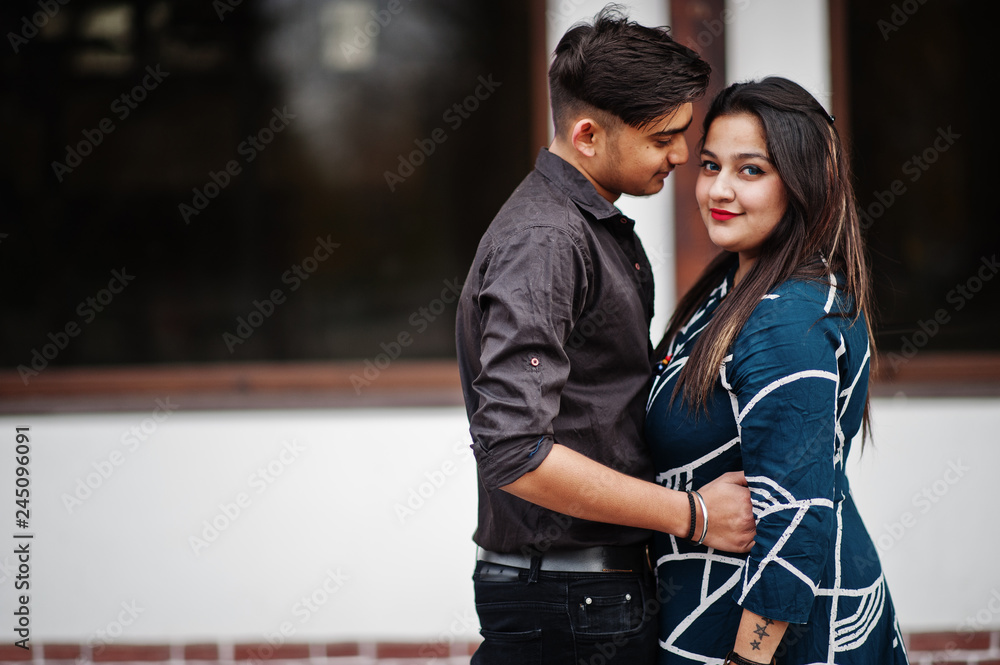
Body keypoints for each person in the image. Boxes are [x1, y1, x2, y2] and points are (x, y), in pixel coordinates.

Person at [455, 6, 755, 665]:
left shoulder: (585, 226)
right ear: (588, 135)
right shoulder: (548, 240)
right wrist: (694, 515)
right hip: (571, 601)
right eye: (663, 138)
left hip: (583, 594)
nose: (682, 154)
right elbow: (515, 449)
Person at [644, 76, 910, 664]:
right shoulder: (734, 285)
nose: (719, 189)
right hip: (709, 613)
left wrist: (746, 661)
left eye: (751, 170)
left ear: (801, 182)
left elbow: (795, 522)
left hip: (775, 640)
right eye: (710, 165)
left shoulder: (785, 320)